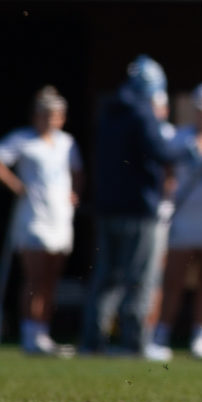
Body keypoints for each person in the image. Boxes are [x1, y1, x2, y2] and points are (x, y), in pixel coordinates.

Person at [80, 54, 175, 355]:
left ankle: (93, 341)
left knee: (107, 277)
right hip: (139, 209)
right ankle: (135, 342)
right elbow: (161, 152)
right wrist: (190, 152)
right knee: (139, 278)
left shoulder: (109, 111)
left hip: (107, 207)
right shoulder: (142, 112)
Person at [0, 85, 83, 355]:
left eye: (55, 115)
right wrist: (16, 185)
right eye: (45, 114)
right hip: (33, 216)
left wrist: (74, 193)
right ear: (36, 116)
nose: (50, 120)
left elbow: (77, 173)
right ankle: (29, 333)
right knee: (35, 277)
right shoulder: (23, 139)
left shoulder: (67, 143)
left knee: (51, 278)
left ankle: (42, 332)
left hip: (60, 217)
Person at [145, 83, 202, 362]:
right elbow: (166, 175)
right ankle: (160, 334)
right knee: (172, 279)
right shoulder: (179, 137)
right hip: (183, 219)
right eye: (200, 110)